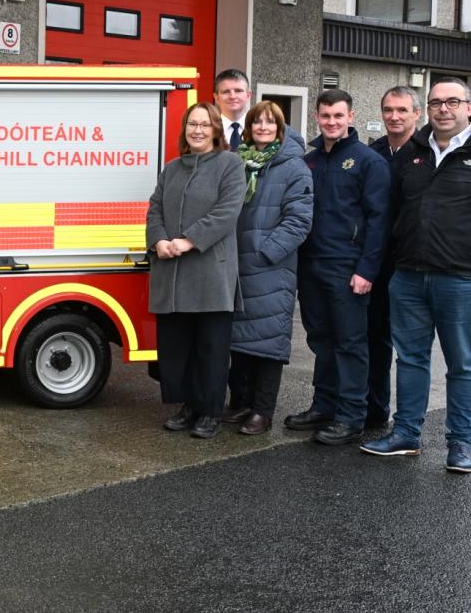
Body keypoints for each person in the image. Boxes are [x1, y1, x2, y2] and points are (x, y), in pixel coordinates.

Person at [361, 77, 471, 473]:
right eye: (437, 102)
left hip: (460, 278)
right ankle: (406, 433)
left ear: (468, 108)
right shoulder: (412, 154)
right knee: (410, 358)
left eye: (452, 102)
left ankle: (461, 443)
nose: (444, 109)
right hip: (407, 276)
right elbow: (390, 213)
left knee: (462, 364)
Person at [286, 89, 390, 445]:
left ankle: (351, 415)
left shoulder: (367, 161)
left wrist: (366, 270)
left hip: (348, 267)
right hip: (312, 265)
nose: (331, 122)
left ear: (351, 117)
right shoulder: (310, 160)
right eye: (326, 116)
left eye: (338, 116)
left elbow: (379, 221)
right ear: (317, 117)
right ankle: (324, 405)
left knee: (350, 342)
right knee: (320, 339)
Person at [147, 102, 246, 439]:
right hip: (172, 273)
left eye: (205, 124)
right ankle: (187, 406)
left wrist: (188, 241)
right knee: (179, 347)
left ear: (216, 130)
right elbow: (154, 208)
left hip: (210, 274)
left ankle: (210, 411)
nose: (198, 130)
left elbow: (227, 212)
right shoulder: (171, 169)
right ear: (185, 129)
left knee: (211, 349)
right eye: (192, 124)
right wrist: (159, 240)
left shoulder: (230, 164)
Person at [225, 101, 313, 435]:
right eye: (257, 122)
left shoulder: (294, 167)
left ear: (280, 127)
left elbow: (299, 220)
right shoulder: (238, 161)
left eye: (270, 122)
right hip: (235, 264)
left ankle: (263, 411)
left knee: (268, 342)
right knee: (239, 340)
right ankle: (242, 402)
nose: (263, 127)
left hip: (269, 267)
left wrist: (265, 253)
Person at [362, 86, 421, 431]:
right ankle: (374, 409)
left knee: (412, 348)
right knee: (376, 338)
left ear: (417, 113)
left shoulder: (425, 153)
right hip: (377, 263)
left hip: (411, 262)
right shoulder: (375, 152)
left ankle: (409, 422)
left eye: (402, 110)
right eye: (388, 110)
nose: (394, 116)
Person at [214, 68, 253, 151]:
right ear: (216, 98)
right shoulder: (208, 129)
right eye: (226, 92)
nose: (232, 96)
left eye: (238, 91)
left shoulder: (261, 129)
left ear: (248, 96)